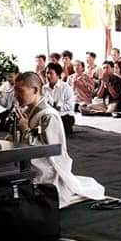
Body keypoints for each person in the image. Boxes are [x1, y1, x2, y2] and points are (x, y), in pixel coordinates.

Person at [13, 72, 106, 208]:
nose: (15, 95)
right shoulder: (26, 111)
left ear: (34, 90)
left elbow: (49, 150)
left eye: (19, 91)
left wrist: (26, 129)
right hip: (26, 163)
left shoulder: (49, 115)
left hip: (46, 168)